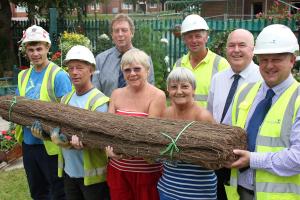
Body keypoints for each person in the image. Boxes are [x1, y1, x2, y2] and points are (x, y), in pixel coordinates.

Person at [225, 24, 300, 200]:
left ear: (292, 60)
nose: (269, 66)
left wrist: (253, 159)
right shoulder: (244, 92)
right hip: (239, 192)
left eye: (276, 60)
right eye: (264, 59)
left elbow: (297, 157)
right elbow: (229, 135)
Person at [32, 45, 110, 200]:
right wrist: (47, 136)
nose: (74, 72)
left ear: (91, 70)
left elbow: (99, 141)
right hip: (69, 173)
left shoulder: (98, 101)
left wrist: (66, 144)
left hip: (93, 179)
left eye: (79, 68)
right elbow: (60, 130)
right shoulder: (66, 98)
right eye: (71, 68)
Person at [16, 25, 72, 199]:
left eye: (39, 48)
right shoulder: (22, 76)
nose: (35, 54)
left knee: (57, 192)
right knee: (37, 192)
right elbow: (19, 107)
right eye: (31, 49)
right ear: (26, 50)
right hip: (29, 144)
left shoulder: (59, 75)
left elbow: (68, 113)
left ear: (48, 48)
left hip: (51, 146)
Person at [207, 29, 261, 200]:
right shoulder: (218, 78)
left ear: (253, 49)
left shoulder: (263, 79)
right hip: (217, 157)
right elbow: (210, 115)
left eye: (242, 45)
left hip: (245, 162)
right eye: (231, 45)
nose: (236, 50)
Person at [105, 48, 166, 200]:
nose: (132, 74)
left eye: (137, 69)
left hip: (147, 172)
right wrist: (108, 150)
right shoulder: (116, 94)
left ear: (147, 69)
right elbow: (107, 130)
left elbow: (149, 135)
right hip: (118, 171)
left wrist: (121, 144)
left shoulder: (158, 95)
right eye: (127, 70)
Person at [157, 67, 217, 200]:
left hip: (197, 193)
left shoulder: (203, 116)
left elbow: (215, 158)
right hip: (168, 189)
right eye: (173, 87)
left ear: (193, 89)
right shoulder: (165, 114)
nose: (179, 91)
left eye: (184, 86)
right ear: (168, 90)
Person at [92, 13, 155, 97]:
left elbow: (150, 91)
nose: (120, 34)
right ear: (112, 35)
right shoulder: (100, 60)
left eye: (124, 30)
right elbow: (95, 92)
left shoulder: (145, 59)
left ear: (132, 33)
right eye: (116, 31)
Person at [174, 14, 229, 108]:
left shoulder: (221, 64)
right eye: (190, 37)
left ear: (206, 37)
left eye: (198, 36)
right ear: (184, 39)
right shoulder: (178, 65)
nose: (194, 40)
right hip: (183, 121)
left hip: (209, 121)